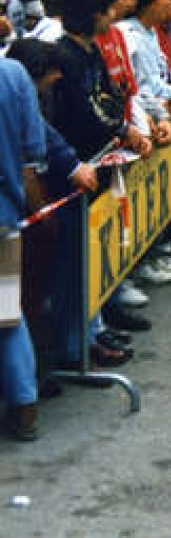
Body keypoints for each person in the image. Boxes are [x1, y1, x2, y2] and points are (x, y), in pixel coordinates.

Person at [0, 55, 47, 441]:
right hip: (3, 210)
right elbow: (35, 146)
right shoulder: (13, 73)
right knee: (5, 309)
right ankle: (24, 405)